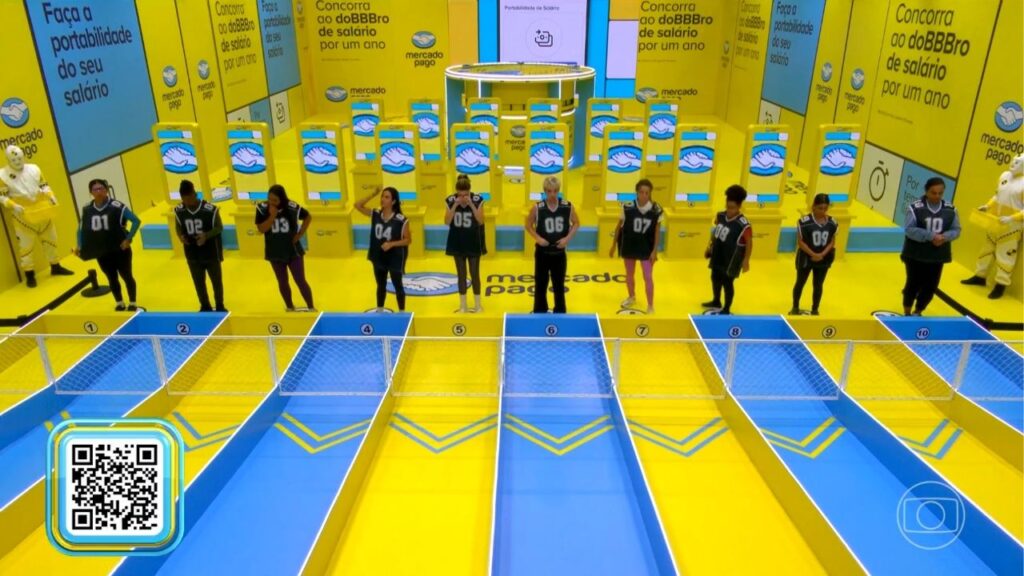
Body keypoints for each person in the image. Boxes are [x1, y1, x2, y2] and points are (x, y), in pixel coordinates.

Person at [0, 145, 74, 287]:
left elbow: (44, 185)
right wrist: (13, 205)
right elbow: (2, 196)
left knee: (51, 239)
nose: (17, 162)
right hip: (22, 217)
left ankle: (55, 266)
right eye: (14, 160)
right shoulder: (2, 175)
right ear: (8, 160)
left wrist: (51, 196)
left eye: (19, 158)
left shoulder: (34, 169)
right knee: (26, 247)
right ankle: (30, 275)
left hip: (42, 211)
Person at [961, 153, 1023, 299]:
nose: (1013, 163)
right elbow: (997, 196)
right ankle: (980, 276)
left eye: (1018, 162)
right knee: (987, 250)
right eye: (1013, 160)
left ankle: (1001, 285)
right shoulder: (1005, 176)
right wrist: (988, 206)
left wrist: (1012, 218)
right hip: (995, 221)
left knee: (1005, 255)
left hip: (1012, 226)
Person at [74, 179, 141, 311]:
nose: (99, 192)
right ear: (91, 192)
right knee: (111, 278)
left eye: (101, 188)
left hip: (120, 249)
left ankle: (133, 302)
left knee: (127, 276)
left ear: (107, 190)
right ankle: (119, 302)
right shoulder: (87, 209)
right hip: (102, 251)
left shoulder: (117, 206)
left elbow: (136, 221)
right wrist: (79, 246)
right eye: (95, 189)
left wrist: (128, 239)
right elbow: (80, 230)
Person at [901, 177, 961, 316]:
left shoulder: (950, 209)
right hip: (915, 254)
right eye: (933, 193)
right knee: (912, 284)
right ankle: (907, 312)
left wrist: (944, 237)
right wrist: (931, 236)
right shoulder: (915, 208)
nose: (937, 196)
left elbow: (957, 230)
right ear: (926, 191)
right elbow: (909, 229)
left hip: (937, 256)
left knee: (930, 287)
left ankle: (918, 311)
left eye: (940, 193)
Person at [256, 184, 315, 311]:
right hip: (274, 251)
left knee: (300, 280)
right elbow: (261, 229)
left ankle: (311, 307)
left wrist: (300, 234)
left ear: (282, 199)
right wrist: (272, 216)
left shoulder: (292, 207)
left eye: (275, 200)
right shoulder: (262, 208)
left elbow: (308, 217)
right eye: (269, 199)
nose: (271, 202)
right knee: (282, 281)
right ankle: (290, 307)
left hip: (293, 250)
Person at [526, 176, 579, 313]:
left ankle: (560, 312)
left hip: (559, 253)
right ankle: (539, 311)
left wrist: (567, 239)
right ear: (545, 191)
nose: (552, 194)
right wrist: (538, 238)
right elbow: (528, 225)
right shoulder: (537, 207)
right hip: (542, 253)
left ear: (558, 191)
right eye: (549, 191)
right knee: (540, 285)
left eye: (555, 191)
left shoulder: (567, 206)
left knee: (559, 285)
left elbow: (576, 223)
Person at [609, 178, 662, 314]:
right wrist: (613, 245)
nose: (644, 195)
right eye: (641, 192)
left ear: (650, 193)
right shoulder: (627, 207)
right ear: (637, 192)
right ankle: (631, 296)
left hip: (646, 247)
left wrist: (655, 251)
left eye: (647, 193)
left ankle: (650, 305)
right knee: (629, 274)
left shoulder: (656, 210)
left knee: (648, 277)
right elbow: (618, 228)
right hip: (630, 245)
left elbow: (657, 231)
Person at [174, 179, 227, 312]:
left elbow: (219, 227)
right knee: (198, 282)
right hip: (192, 254)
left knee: (216, 281)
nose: (187, 202)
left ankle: (220, 305)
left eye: (189, 198)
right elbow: (178, 227)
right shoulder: (179, 211)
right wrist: (181, 237)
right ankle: (204, 305)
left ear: (195, 194)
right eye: (184, 199)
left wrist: (206, 235)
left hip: (211, 252)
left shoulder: (210, 210)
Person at [356, 186, 411, 312]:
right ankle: (380, 310)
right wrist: (373, 194)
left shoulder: (401, 220)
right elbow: (357, 205)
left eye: (387, 197)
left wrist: (391, 244)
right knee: (380, 285)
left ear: (393, 201)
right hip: (378, 256)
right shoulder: (376, 214)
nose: (382, 199)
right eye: (382, 196)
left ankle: (402, 313)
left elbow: (407, 240)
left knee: (398, 286)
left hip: (394, 258)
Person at [703, 185, 752, 315]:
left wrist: (746, 260)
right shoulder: (720, 215)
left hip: (732, 258)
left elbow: (749, 242)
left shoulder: (743, 224)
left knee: (727, 282)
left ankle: (727, 308)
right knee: (714, 277)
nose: (729, 210)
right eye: (728, 206)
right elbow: (715, 231)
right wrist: (710, 246)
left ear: (739, 207)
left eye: (732, 208)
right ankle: (716, 301)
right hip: (718, 253)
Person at [790, 193, 838, 315]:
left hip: (823, 258)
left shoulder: (832, 223)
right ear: (813, 207)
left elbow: (832, 241)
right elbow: (800, 242)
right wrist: (813, 254)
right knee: (800, 282)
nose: (823, 211)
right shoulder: (804, 222)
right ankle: (795, 307)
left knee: (818, 284)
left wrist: (821, 255)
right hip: (806, 257)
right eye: (820, 208)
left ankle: (815, 309)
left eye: (825, 208)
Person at [445, 174, 486, 313]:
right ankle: (463, 305)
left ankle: (478, 304)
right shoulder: (450, 201)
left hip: (473, 241)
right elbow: (447, 221)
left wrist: (471, 205)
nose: (463, 197)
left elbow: (480, 220)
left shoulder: (478, 200)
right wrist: (455, 205)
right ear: (456, 192)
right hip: (457, 242)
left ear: (470, 191)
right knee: (461, 274)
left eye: (466, 194)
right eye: (460, 195)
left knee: (474, 273)